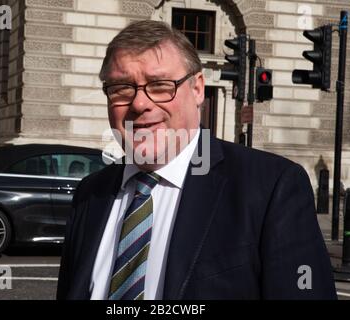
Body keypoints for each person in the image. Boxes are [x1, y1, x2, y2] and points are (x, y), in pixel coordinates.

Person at [57, 20, 336, 300]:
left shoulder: (271, 187)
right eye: (121, 88)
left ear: (198, 89)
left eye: (160, 85)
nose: (139, 104)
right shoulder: (90, 194)